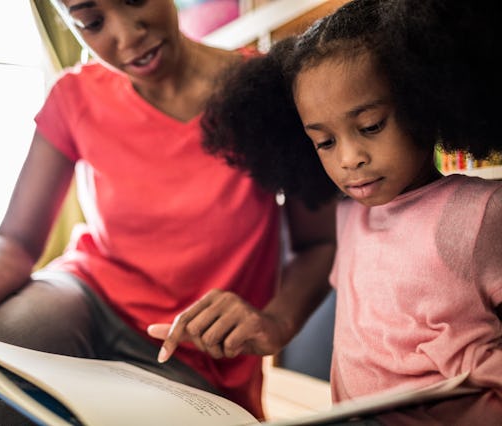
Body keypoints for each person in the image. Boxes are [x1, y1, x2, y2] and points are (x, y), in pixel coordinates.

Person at [0, 1, 336, 424]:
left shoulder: (267, 89)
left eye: (135, 0)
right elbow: (17, 240)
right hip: (82, 300)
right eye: (91, 21)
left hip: (195, 354)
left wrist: (273, 323)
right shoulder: (76, 96)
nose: (128, 36)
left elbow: (317, 244)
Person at [201, 0, 502, 423]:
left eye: (371, 125)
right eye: (324, 142)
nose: (350, 157)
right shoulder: (349, 218)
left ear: (426, 98)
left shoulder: (482, 213)